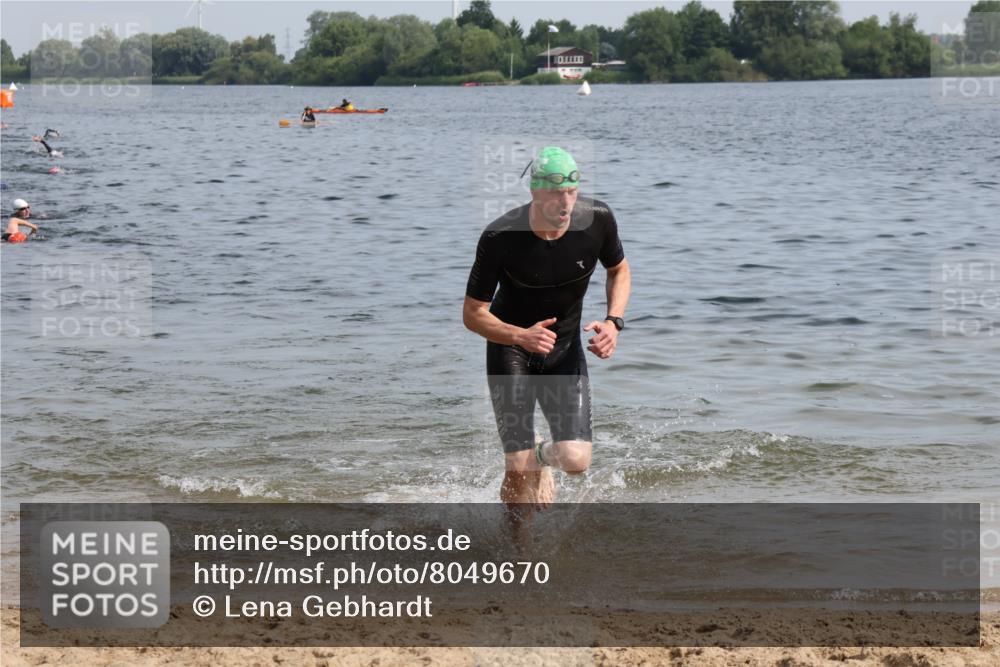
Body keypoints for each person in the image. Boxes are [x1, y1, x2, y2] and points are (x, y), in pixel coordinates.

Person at [463, 146, 632, 532]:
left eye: (572, 189)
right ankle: (519, 553)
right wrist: (519, 335)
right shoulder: (501, 236)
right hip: (512, 348)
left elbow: (619, 271)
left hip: (565, 348)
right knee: (517, 469)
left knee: (575, 461)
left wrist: (613, 321)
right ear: (535, 192)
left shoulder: (597, 220)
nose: (566, 200)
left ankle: (541, 456)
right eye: (556, 191)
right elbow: (472, 315)